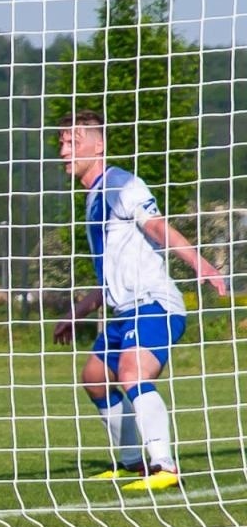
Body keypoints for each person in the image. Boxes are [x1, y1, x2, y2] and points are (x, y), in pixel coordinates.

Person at [51, 110, 225, 492]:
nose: (64, 150)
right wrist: (75, 313)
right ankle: (131, 462)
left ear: (99, 145)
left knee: (132, 373)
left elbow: (157, 227)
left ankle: (164, 464)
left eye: (72, 142)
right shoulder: (93, 198)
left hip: (155, 304)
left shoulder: (123, 184)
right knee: (95, 379)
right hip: (123, 310)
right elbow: (109, 276)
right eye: (62, 142)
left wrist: (202, 265)